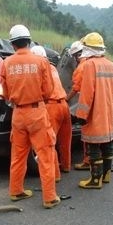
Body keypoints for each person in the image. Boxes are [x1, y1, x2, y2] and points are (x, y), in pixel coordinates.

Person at [0, 24, 60, 209]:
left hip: (18, 114)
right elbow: (49, 90)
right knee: (45, 154)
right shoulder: (41, 62)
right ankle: (49, 197)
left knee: (18, 155)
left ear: (13, 45)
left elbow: (5, 93)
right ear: (28, 41)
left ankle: (16, 191)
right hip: (37, 113)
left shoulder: (6, 63)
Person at [75, 32, 113, 189]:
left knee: (94, 147)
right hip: (108, 112)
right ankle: (106, 175)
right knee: (107, 145)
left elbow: (87, 93)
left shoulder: (89, 65)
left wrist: (81, 115)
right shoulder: (110, 64)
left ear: (87, 48)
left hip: (95, 114)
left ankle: (95, 180)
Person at [31, 45, 72, 179]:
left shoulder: (38, 68)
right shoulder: (53, 67)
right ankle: (66, 166)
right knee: (65, 139)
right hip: (64, 105)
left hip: (52, 106)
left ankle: (55, 174)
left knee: (50, 142)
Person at [65, 41, 90, 171]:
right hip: (97, 104)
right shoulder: (94, 63)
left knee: (87, 132)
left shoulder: (81, 67)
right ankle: (96, 158)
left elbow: (75, 88)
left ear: (76, 55)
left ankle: (88, 160)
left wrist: (66, 99)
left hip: (86, 104)